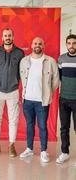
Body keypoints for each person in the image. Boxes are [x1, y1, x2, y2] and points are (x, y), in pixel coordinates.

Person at [19, 37, 59, 163]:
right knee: (29, 125)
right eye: (35, 43)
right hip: (27, 100)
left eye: (40, 43)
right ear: (31, 45)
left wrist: (48, 93)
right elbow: (22, 77)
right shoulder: (24, 60)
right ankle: (29, 149)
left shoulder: (50, 61)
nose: (37, 45)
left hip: (42, 101)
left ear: (43, 46)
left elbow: (56, 81)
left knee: (42, 126)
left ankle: (43, 151)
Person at [0, 28, 24, 157]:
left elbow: (21, 72)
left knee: (13, 119)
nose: (7, 37)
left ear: (13, 37)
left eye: (9, 35)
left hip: (13, 91)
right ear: (2, 38)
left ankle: (11, 145)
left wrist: (14, 81)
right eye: (5, 35)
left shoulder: (20, 53)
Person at [56, 34, 76, 164]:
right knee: (64, 127)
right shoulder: (61, 59)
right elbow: (60, 77)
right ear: (66, 44)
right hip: (63, 98)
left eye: (74, 43)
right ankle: (64, 152)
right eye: (69, 43)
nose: (72, 46)